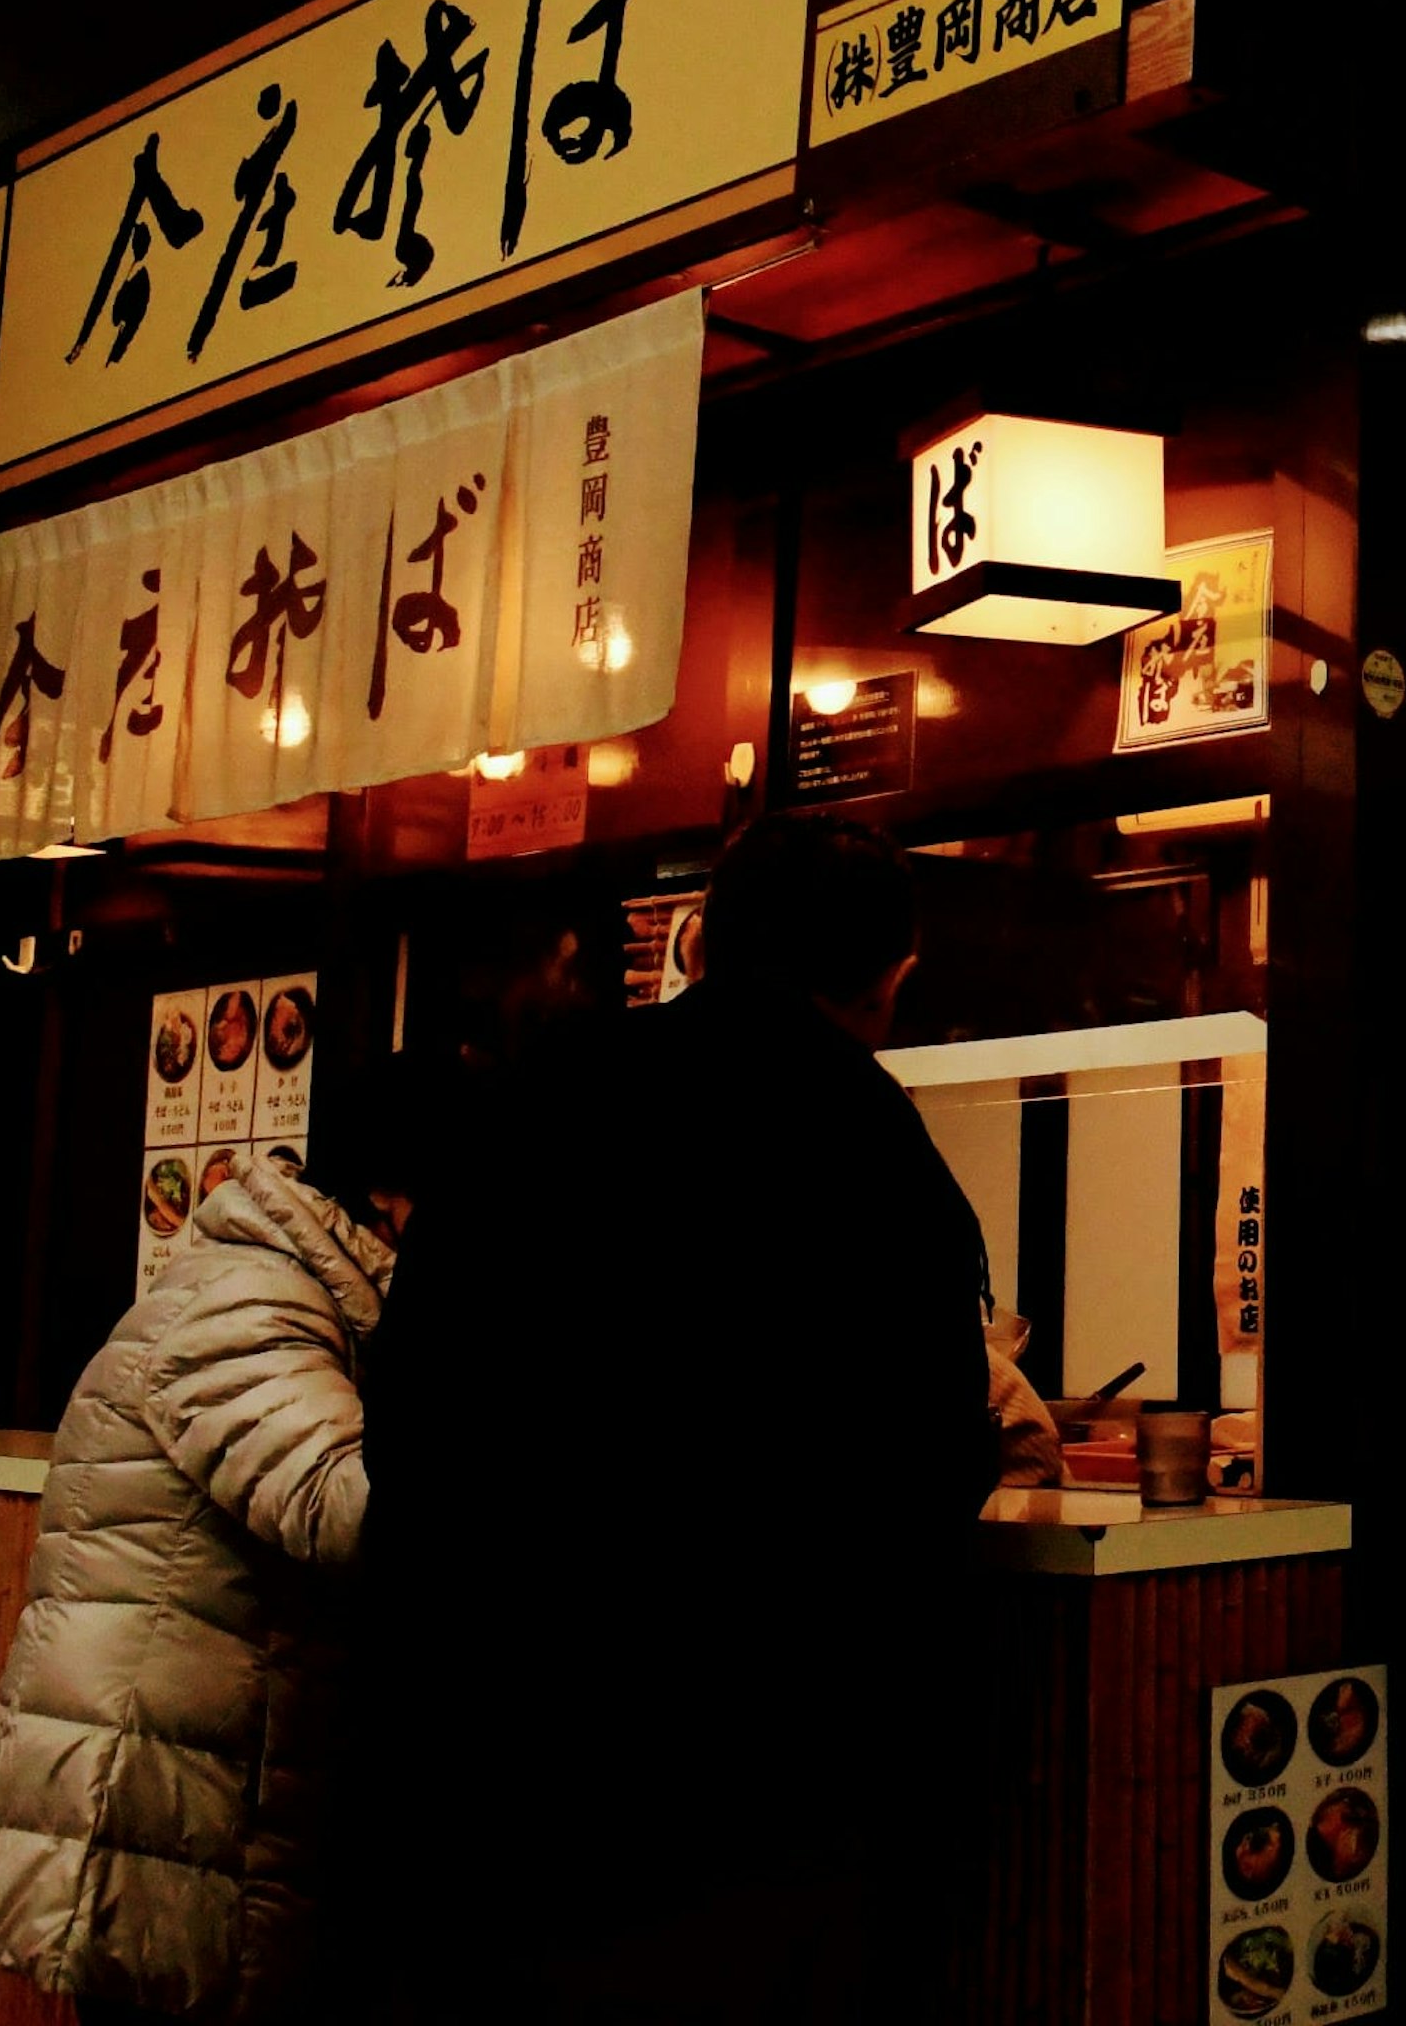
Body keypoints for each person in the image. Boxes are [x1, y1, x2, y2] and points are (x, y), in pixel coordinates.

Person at [362, 814, 1000, 2024]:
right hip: (756, 1795)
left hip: (496, 1772)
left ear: (699, 943)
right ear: (888, 982)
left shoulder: (538, 1098)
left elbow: (409, 1410)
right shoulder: (882, 1156)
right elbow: (922, 1472)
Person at [0, 1134, 415, 2023]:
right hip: (146, 1790)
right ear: (388, 1200)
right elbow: (339, 1504)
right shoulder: (254, 1296)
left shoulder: (273, 1289)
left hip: (176, 1779)